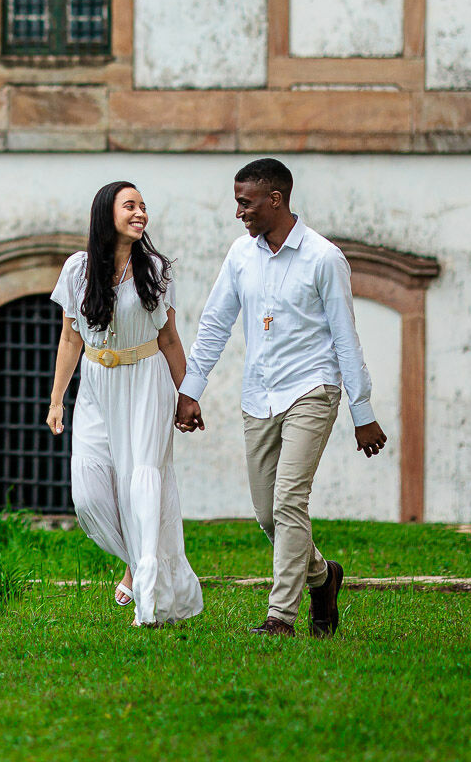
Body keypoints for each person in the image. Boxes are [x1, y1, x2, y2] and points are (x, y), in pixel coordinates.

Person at [175, 157, 386, 638]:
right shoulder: (240, 255)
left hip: (312, 389)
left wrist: (363, 412)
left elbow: (345, 339)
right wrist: (190, 390)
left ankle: (280, 617)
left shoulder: (324, 258)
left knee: (291, 501)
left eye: (245, 203)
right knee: (268, 514)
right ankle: (323, 577)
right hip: (259, 395)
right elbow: (214, 324)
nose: (239, 213)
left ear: (276, 200)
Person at [46, 180, 204, 627]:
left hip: (146, 382)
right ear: (106, 215)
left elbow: (170, 339)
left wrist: (187, 395)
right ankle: (136, 560)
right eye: (130, 206)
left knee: (142, 481)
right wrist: (57, 400)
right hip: (97, 385)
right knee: (89, 491)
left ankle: (148, 601)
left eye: (143, 206)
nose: (140, 213)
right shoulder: (78, 270)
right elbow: (70, 337)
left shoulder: (155, 268)